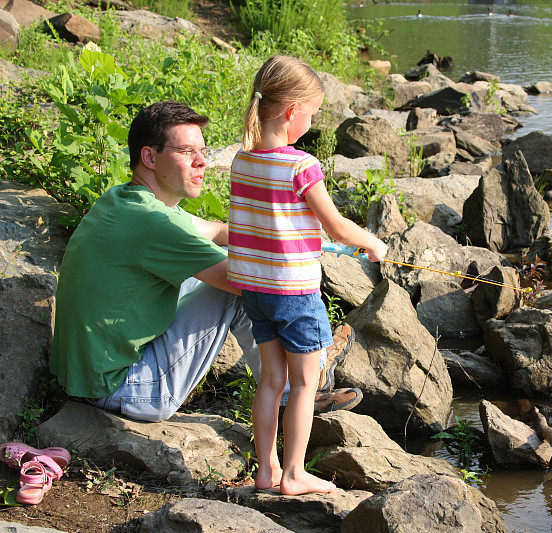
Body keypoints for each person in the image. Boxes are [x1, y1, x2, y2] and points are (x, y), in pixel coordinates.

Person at [50, 100, 361, 424]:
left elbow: (215, 230)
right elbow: (254, 281)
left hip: (90, 376)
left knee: (231, 269)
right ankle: (302, 384)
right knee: (248, 283)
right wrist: (294, 255)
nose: (202, 163)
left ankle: (296, 383)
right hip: (123, 387)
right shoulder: (155, 224)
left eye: (203, 151)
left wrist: (293, 236)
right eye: (187, 152)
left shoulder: (127, 200)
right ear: (149, 157)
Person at [227, 56, 387, 495]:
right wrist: (372, 243)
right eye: (313, 113)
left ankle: (266, 472)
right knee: (303, 384)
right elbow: (335, 226)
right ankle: (295, 474)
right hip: (294, 293)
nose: (312, 122)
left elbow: (261, 223)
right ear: (292, 112)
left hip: (255, 291)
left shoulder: (244, 161)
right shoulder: (301, 166)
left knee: (271, 381)